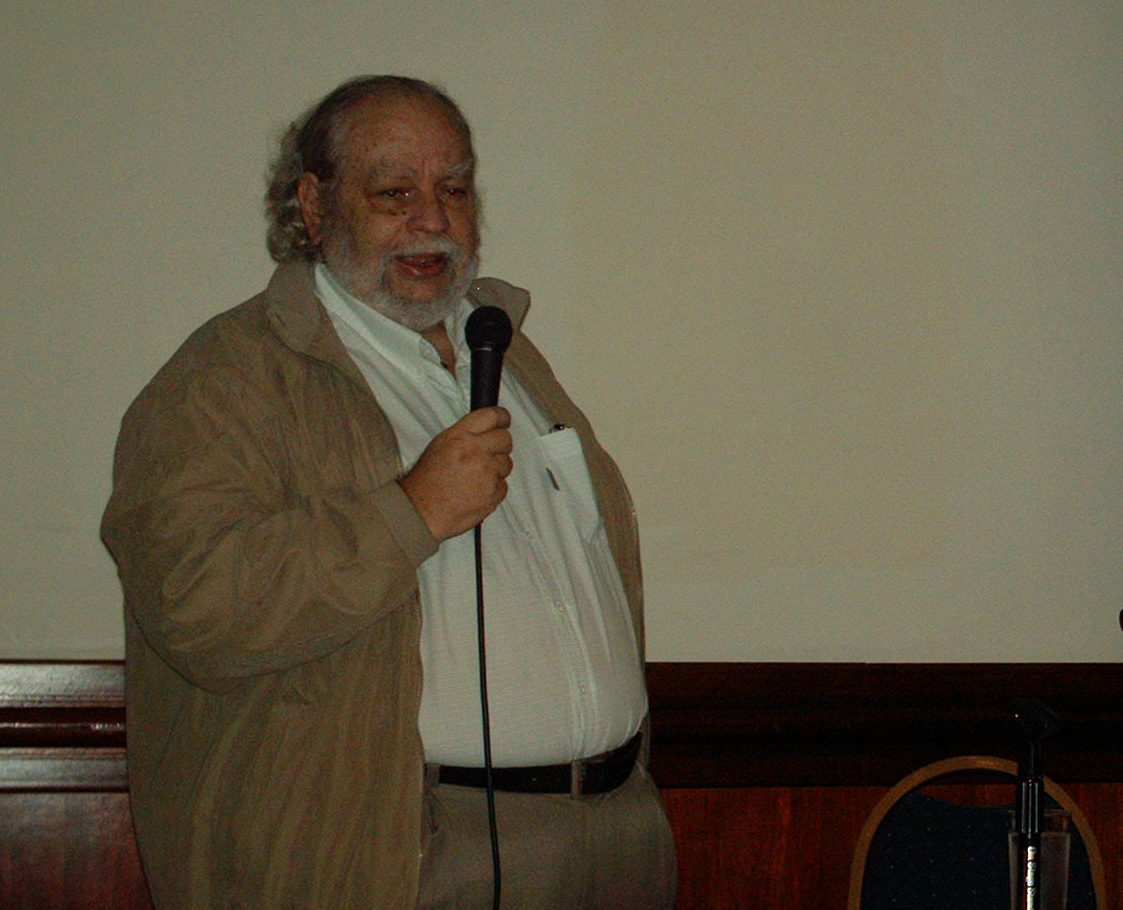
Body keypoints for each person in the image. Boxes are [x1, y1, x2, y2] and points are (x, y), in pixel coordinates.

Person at [101, 75, 676, 910]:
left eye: (454, 190)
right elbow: (193, 606)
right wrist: (408, 513)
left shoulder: (506, 354)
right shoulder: (226, 380)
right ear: (313, 205)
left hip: (616, 831)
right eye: (394, 193)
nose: (432, 220)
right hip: (410, 849)